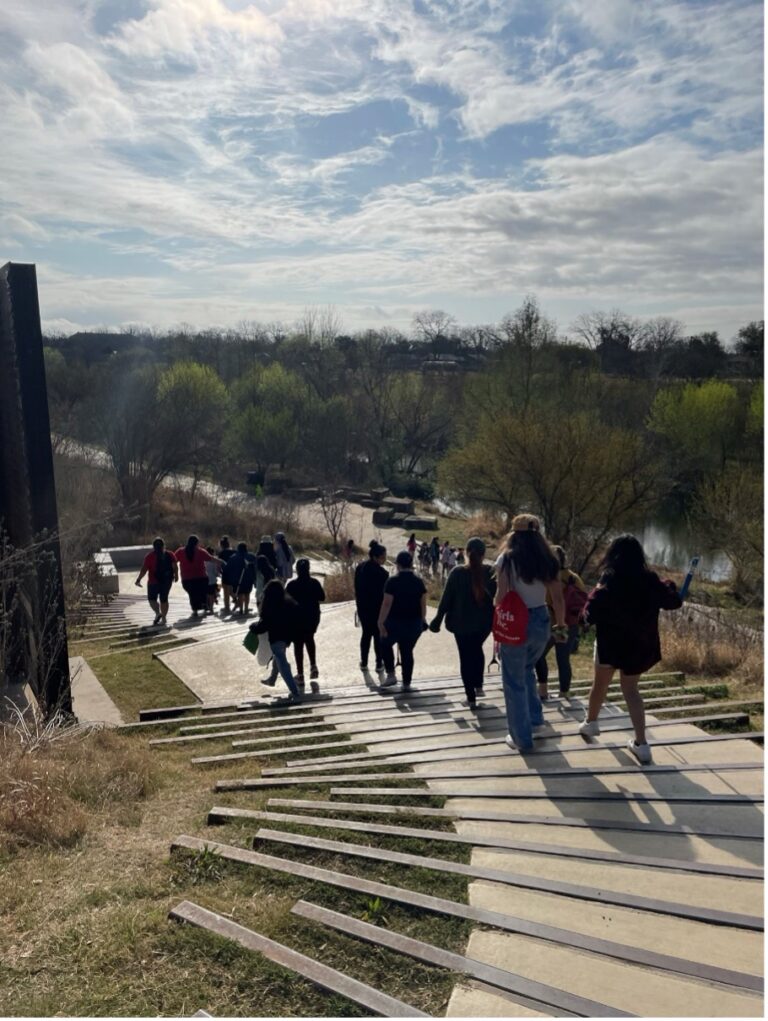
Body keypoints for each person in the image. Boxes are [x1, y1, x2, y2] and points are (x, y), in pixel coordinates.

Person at [579, 534, 682, 765]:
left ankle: (591, 723)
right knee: (631, 691)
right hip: (638, 646)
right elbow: (673, 601)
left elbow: (593, 605)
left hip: (610, 644)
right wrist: (670, 585)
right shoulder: (649, 579)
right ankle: (642, 744)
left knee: (600, 685)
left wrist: (584, 619)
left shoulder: (610, 577)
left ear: (613, 554)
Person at [494, 514, 566, 753]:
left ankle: (521, 738)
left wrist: (497, 616)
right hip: (541, 621)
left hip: (516, 621)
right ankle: (536, 721)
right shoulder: (548, 559)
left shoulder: (506, 559)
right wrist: (561, 625)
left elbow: (501, 595)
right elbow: (557, 597)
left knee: (513, 680)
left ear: (514, 534)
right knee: (526, 670)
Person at [430, 537, 496, 709]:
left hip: (461, 624)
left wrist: (437, 620)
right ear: (484, 554)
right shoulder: (490, 572)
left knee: (465, 657)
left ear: (466, 553)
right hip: (483, 625)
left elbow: (446, 600)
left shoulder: (458, 573)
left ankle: (471, 698)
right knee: (476, 649)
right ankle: (479, 685)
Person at [534, 546, 587, 699]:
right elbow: (584, 599)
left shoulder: (546, 577)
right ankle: (564, 693)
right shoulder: (573, 577)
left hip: (553, 623)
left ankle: (543, 690)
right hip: (570, 623)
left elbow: (544, 600)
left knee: (539, 655)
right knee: (563, 659)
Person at [378, 550, 427, 690]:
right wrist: (422, 620)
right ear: (411, 564)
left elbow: (386, 603)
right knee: (407, 651)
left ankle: (391, 675)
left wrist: (381, 621)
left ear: (397, 565)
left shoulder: (392, 581)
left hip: (394, 622)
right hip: (413, 623)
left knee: (385, 644)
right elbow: (423, 604)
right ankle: (406, 683)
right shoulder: (419, 582)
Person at [249, 579, 303, 703]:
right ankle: (273, 680)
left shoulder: (270, 606)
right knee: (280, 659)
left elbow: (263, 626)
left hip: (276, 638)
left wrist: (252, 627)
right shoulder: (289, 603)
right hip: (287, 637)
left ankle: (295, 691)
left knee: (283, 665)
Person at [286, 558, 325, 691]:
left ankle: (300, 674)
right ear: (308, 569)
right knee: (309, 638)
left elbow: (285, 601)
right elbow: (322, 597)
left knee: (298, 644)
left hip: (296, 618)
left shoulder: (291, 585)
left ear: (296, 570)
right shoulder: (314, 583)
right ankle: (313, 666)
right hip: (312, 617)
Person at [354, 541, 388, 672]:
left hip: (363, 608)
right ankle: (379, 663)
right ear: (375, 557)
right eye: (383, 557)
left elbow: (356, 589)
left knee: (365, 635)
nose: (384, 559)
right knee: (377, 635)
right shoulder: (383, 574)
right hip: (378, 609)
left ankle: (363, 662)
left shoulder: (360, 568)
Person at [174, 535, 221, 618]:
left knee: (192, 595)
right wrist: (221, 562)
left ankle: (195, 610)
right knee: (201, 593)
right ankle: (203, 604)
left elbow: (173, 561)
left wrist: (174, 572)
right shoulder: (200, 551)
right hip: (201, 578)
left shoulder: (180, 551)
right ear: (197, 543)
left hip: (187, 578)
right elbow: (211, 558)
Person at [135, 537, 178, 625]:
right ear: (164, 545)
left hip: (153, 582)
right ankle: (164, 618)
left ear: (153, 546)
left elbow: (144, 570)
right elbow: (175, 566)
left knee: (152, 599)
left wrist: (138, 579)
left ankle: (158, 613)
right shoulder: (170, 554)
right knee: (164, 599)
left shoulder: (149, 556)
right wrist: (176, 576)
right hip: (166, 581)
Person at [229, 541, 257, 616]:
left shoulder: (233, 557)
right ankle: (246, 609)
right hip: (248, 578)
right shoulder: (251, 556)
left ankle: (241, 609)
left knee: (240, 593)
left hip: (237, 578)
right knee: (247, 593)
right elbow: (255, 567)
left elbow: (230, 568)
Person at [217, 536, 236, 613]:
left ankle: (227, 607)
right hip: (234, 573)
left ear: (221, 545)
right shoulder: (234, 552)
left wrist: (218, 572)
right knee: (231, 589)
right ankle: (237, 600)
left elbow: (219, 564)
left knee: (226, 591)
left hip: (225, 573)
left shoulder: (221, 553)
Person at [204, 545, 220, 614]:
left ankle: (206, 606)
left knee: (206, 594)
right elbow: (216, 572)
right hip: (212, 580)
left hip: (204, 579)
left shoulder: (203, 560)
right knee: (211, 594)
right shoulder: (214, 561)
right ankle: (211, 608)